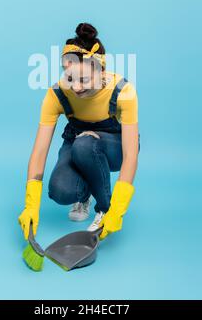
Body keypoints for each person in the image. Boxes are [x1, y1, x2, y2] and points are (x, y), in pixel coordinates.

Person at [18, 22, 139, 241]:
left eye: (84, 79)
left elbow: (130, 154)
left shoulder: (123, 91)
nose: (76, 87)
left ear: (101, 71)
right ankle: (84, 195)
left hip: (114, 146)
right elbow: (39, 151)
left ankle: (104, 209)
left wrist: (117, 209)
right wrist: (31, 205)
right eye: (70, 78)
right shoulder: (56, 94)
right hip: (76, 143)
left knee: (85, 145)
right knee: (59, 191)